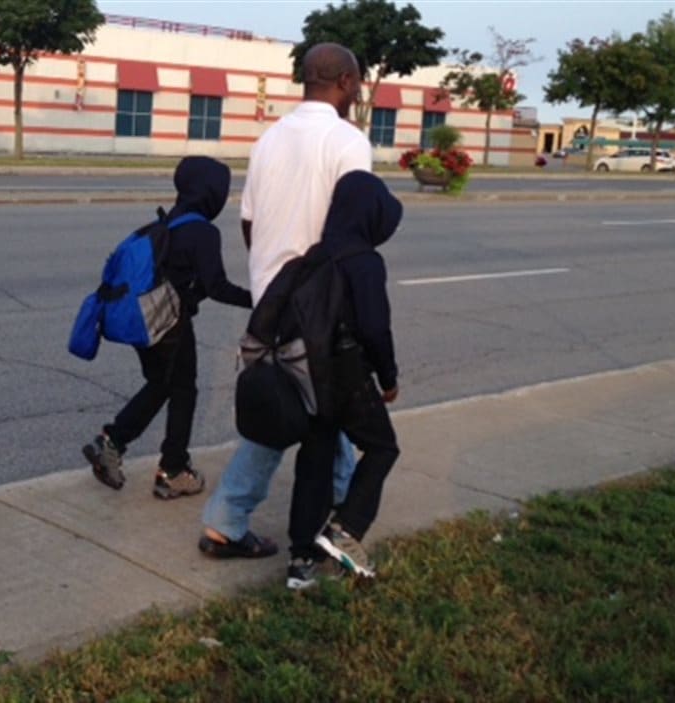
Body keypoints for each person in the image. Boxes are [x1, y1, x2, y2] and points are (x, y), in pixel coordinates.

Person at [198, 43, 371, 590]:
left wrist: (269, 274)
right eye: (358, 83)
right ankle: (326, 517)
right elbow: (352, 228)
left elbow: (249, 221)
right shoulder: (347, 141)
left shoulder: (269, 139)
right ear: (345, 81)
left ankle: (231, 521)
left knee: (291, 403)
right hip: (321, 303)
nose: (360, 91)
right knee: (321, 406)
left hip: (271, 299)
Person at [83, 156, 253, 500]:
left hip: (144, 320)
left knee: (162, 384)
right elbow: (216, 286)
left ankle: (115, 442)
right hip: (170, 325)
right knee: (183, 390)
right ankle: (171, 469)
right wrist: (261, 300)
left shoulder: (167, 222)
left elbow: (189, 280)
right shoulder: (203, 231)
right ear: (210, 193)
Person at [306, 170, 402, 579]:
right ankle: (345, 530)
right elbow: (374, 328)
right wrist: (389, 378)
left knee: (318, 452)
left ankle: (305, 547)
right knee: (382, 447)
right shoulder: (363, 261)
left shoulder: (314, 253)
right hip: (346, 371)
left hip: (308, 369)